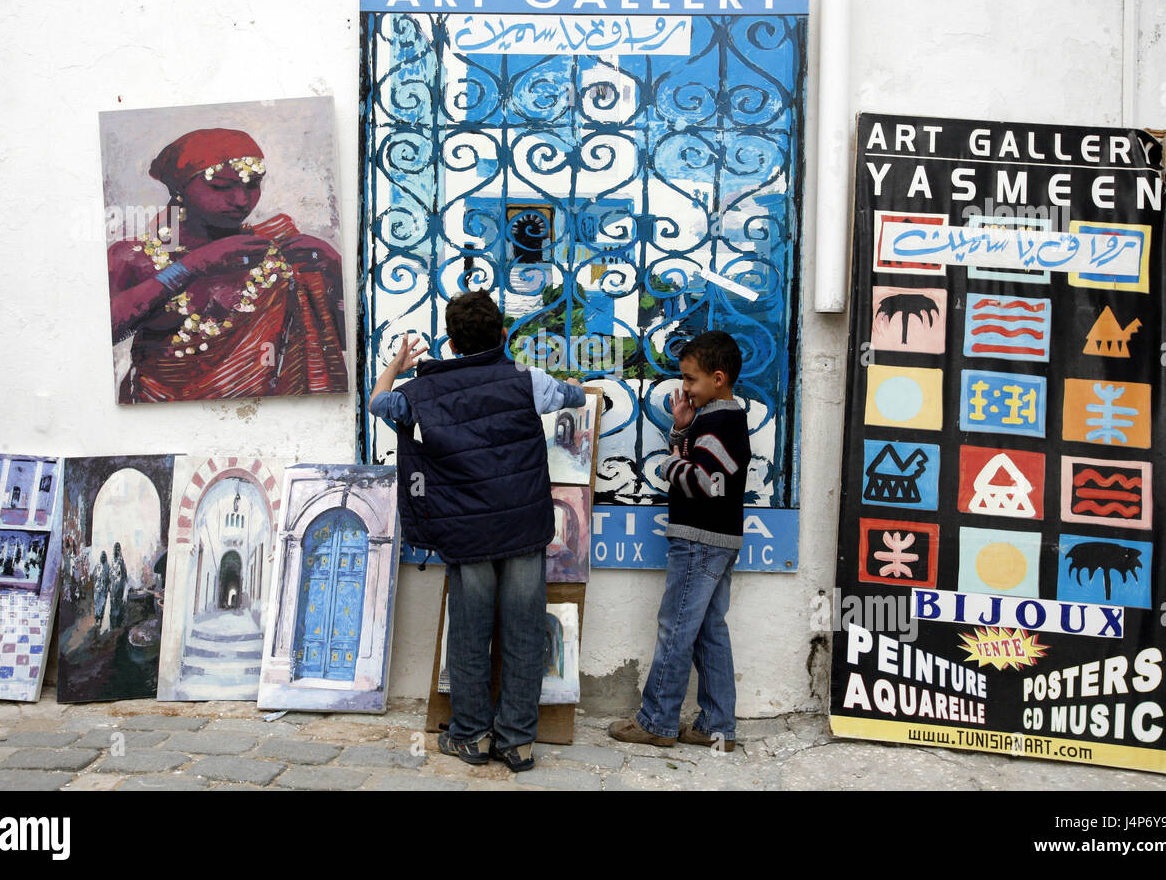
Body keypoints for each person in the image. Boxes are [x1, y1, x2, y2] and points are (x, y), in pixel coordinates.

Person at [369, 290, 584, 772]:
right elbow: (572, 394)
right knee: (525, 632)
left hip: (467, 535)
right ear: (503, 335)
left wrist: (401, 365)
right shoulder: (528, 380)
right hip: (523, 527)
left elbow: (379, 402)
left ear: (451, 341)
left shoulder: (420, 393)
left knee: (470, 633)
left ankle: (469, 736)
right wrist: (570, 382)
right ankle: (517, 742)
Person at [107, 127, 348, 402]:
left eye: (252, 185)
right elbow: (102, 333)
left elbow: (341, 340)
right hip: (160, 413)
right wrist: (191, 266)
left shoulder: (280, 249)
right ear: (179, 189)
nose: (241, 201)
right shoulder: (135, 255)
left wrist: (335, 268)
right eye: (221, 187)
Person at [608, 330, 750, 752]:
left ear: (719, 378)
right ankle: (716, 726)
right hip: (716, 540)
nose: (684, 388)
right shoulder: (712, 421)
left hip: (700, 541)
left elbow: (708, 481)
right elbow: (702, 462)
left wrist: (669, 463)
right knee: (709, 631)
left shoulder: (720, 423)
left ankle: (657, 720)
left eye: (691, 380)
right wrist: (680, 432)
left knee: (675, 629)